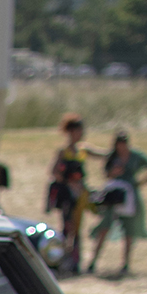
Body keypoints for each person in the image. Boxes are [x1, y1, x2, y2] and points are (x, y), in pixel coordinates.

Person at [87, 131, 147, 278]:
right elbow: (106, 174)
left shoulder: (136, 156)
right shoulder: (112, 156)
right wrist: (114, 172)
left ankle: (126, 264)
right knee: (105, 226)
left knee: (129, 230)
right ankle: (93, 262)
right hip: (113, 194)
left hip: (129, 195)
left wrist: (140, 183)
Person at [48, 114, 99, 275]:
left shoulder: (83, 150)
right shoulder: (63, 152)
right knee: (66, 228)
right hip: (67, 195)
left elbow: (103, 154)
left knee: (77, 229)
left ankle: (75, 262)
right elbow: (54, 172)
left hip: (80, 196)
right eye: (78, 130)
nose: (81, 133)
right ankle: (61, 260)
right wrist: (69, 182)